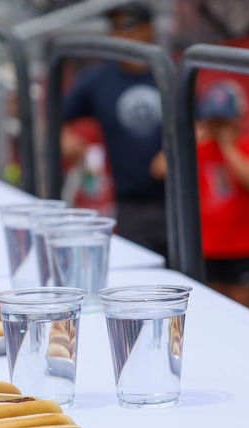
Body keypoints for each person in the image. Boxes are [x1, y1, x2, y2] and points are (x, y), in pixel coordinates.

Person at [61, 1, 167, 257]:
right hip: (129, 202)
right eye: (115, 27)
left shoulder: (168, 72)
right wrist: (64, 137)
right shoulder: (99, 79)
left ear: (149, 29)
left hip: (179, 199)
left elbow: (200, 122)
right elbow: (58, 115)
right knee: (141, 279)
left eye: (129, 26)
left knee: (190, 280)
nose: (121, 34)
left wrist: (176, 153)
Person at [194, 81, 249, 309]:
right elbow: (159, 169)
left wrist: (228, 146)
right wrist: (192, 139)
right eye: (215, 119)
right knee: (213, 312)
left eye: (225, 119)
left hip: (243, 247)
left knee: (244, 312)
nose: (220, 125)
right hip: (208, 248)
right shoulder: (200, 146)